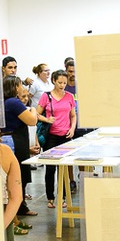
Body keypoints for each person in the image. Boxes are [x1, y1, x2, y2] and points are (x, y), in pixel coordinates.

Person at [1, 76, 38, 234]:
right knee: (14, 182)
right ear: (15, 87)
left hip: (11, 141)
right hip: (13, 142)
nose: (23, 87)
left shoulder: (5, 102)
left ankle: (14, 219)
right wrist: (33, 109)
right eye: (20, 85)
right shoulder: (13, 102)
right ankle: (11, 221)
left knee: (13, 182)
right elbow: (32, 120)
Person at [37, 70, 76, 208]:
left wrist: (72, 128)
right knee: (50, 168)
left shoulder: (70, 96)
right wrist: (47, 119)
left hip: (65, 136)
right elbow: (36, 114)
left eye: (64, 83)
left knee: (63, 168)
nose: (62, 85)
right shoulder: (46, 96)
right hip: (51, 136)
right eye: (60, 82)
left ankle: (63, 197)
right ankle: (50, 197)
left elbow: (73, 115)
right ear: (54, 80)